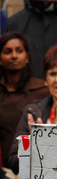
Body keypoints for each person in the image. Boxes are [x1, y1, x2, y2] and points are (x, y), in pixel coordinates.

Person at [8, 43, 57, 174]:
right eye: (52, 74)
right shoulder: (33, 111)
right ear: (45, 80)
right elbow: (14, 162)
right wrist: (34, 145)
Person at [0, 31, 49, 169]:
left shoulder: (42, 90)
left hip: (35, 164)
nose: (14, 56)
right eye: (8, 51)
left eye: (19, 51)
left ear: (27, 56)